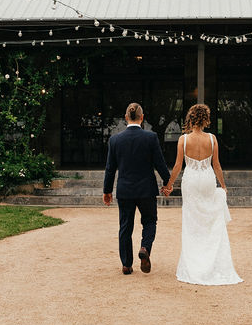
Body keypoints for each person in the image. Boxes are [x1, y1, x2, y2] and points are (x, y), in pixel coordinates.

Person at [162, 104, 242, 285]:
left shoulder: (183, 140)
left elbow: (177, 166)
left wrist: (169, 185)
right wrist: (223, 186)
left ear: (190, 119)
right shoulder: (212, 139)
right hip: (207, 179)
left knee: (191, 221)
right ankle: (210, 259)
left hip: (190, 181)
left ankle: (194, 263)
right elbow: (217, 166)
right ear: (206, 119)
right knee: (209, 220)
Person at [102, 102, 172, 275]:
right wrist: (167, 183)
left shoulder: (115, 140)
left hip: (125, 190)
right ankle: (145, 248)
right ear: (142, 118)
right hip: (146, 189)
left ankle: (126, 264)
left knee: (125, 226)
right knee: (149, 221)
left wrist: (107, 190)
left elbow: (110, 168)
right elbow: (160, 164)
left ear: (126, 118)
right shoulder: (151, 138)